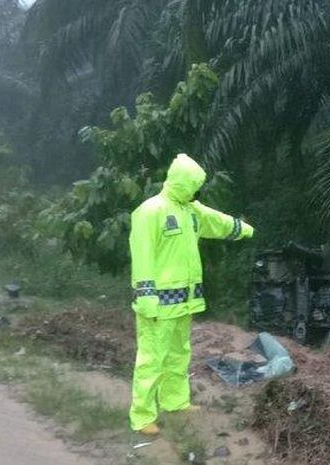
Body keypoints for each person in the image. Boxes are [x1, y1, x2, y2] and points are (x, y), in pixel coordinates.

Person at [128, 153, 254, 435]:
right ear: (181, 181)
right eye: (193, 185)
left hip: (183, 303)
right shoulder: (150, 212)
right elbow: (143, 257)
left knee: (178, 355)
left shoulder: (190, 211)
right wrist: (146, 297)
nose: (196, 191)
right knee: (151, 359)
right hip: (158, 305)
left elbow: (217, 222)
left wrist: (243, 230)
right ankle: (142, 416)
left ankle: (175, 401)